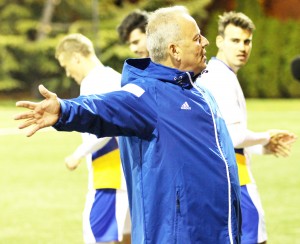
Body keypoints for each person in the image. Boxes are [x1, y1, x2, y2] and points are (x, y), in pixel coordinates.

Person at [15, 6, 242, 243]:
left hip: (221, 233)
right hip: (178, 236)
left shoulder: (202, 93)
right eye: (196, 38)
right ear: (174, 50)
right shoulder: (147, 94)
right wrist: (64, 110)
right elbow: (102, 108)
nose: (205, 42)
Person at [196, 11, 297, 244]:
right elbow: (232, 137)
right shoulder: (220, 78)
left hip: (222, 180)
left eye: (247, 41)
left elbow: (221, 137)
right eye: (235, 40)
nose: (242, 47)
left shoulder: (218, 74)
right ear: (220, 41)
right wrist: (265, 137)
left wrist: (262, 148)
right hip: (236, 183)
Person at [54, 33, 130, 244]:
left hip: (110, 175)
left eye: (66, 64)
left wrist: (77, 154)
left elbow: (106, 127)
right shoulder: (114, 77)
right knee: (126, 237)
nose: (68, 73)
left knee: (98, 237)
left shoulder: (94, 82)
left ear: (77, 57)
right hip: (125, 174)